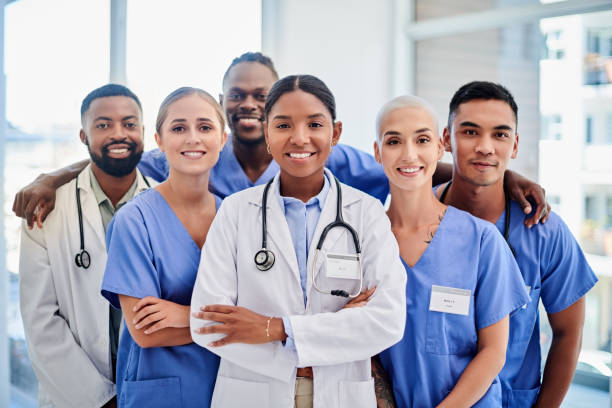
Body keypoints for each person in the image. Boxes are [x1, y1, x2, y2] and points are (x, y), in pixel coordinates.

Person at [13, 52, 548, 228]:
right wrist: (50, 176)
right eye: (236, 95)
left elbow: (410, 163)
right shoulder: (193, 157)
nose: (247, 103)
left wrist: (507, 173)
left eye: (260, 95)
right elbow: (117, 159)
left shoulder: (332, 160)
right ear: (224, 107)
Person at [190, 75, 407, 407]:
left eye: (315, 124)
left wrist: (276, 329)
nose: (300, 138)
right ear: (266, 133)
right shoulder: (235, 212)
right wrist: (332, 333)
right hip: (253, 393)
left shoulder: (367, 213)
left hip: (339, 394)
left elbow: (387, 320)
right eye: (283, 125)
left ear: (335, 133)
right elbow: (208, 324)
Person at [437, 81, 598, 407]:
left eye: (500, 134)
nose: (485, 147)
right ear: (446, 140)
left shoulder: (544, 231)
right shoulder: (412, 221)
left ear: (515, 144)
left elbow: (568, 334)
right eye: (470, 132)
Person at [373, 95, 529, 407]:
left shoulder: (482, 241)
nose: (409, 153)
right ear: (377, 152)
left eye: (422, 139)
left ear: (440, 147)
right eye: (393, 141)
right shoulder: (364, 241)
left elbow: (494, 352)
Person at [19, 84, 152, 408]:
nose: (118, 133)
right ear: (83, 136)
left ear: (145, 133)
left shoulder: (167, 203)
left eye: (129, 123)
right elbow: (40, 321)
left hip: (151, 389)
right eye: (103, 125)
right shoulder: (46, 211)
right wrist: (100, 401)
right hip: (73, 396)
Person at [100, 87, 226, 407]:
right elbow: (147, 332)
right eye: (179, 128)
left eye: (205, 127)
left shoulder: (236, 216)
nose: (193, 138)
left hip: (230, 387)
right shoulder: (134, 221)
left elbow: (261, 311)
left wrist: (183, 315)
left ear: (223, 139)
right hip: (159, 394)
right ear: (159, 140)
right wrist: (236, 327)